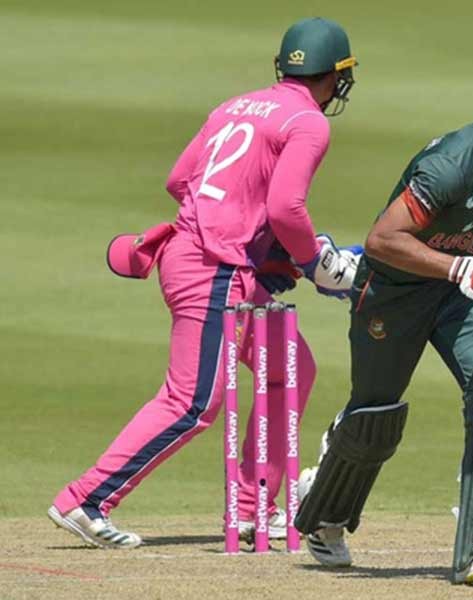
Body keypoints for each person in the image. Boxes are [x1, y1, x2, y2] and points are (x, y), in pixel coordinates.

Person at [48, 17, 361, 549]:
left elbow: (179, 180)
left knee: (289, 367)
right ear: (334, 75)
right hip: (213, 266)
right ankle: (86, 498)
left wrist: (257, 245)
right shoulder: (308, 122)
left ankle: (252, 508)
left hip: (201, 254)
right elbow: (287, 208)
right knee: (192, 401)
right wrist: (314, 263)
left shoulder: (234, 106)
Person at [291, 53, 473, 585]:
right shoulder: (453, 162)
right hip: (394, 290)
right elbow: (383, 240)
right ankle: (326, 511)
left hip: (459, 293)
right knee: (375, 415)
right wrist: (461, 269)